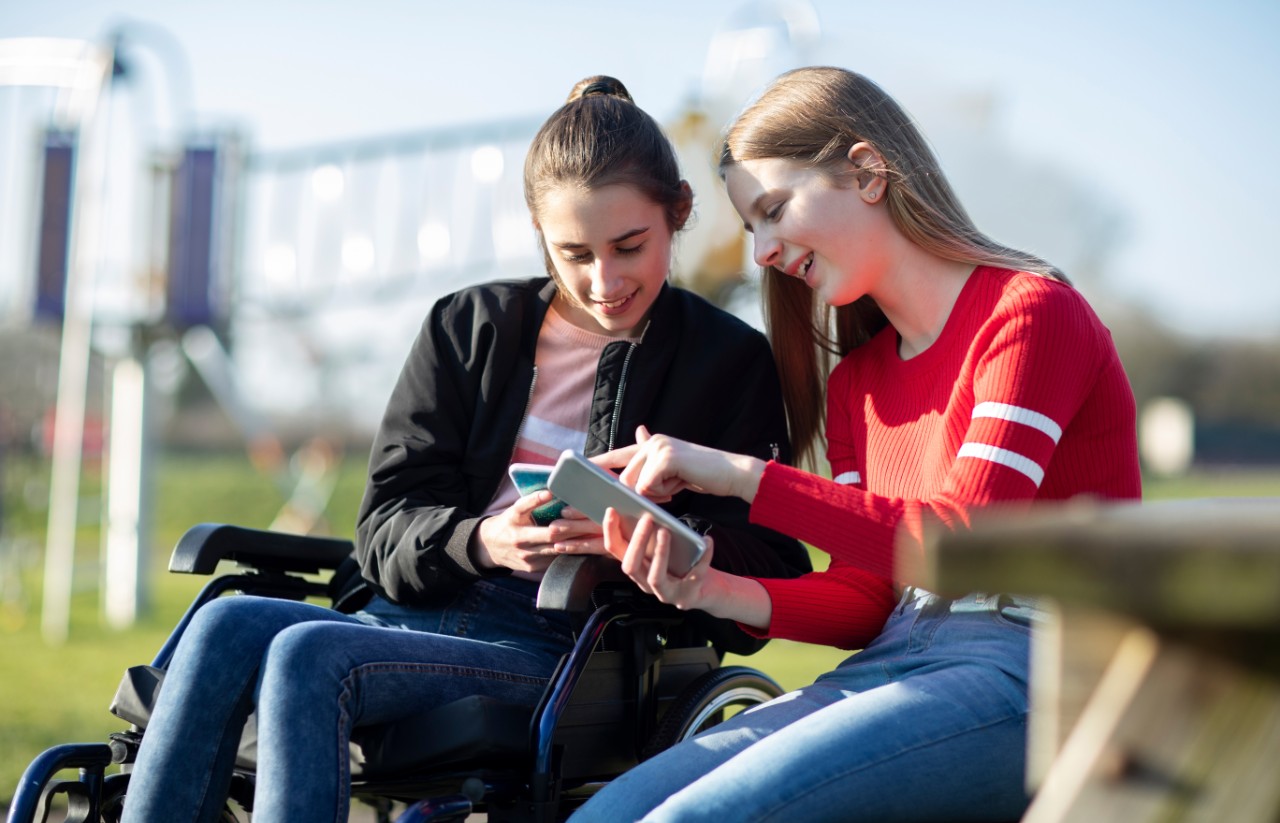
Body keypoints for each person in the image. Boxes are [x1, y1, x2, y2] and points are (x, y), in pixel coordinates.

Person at [120, 75, 811, 823]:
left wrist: (644, 544)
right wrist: (482, 539)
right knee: (224, 620)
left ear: (677, 213)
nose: (603, 281)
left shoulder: (729, 362)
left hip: (565, 648)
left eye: (629, 247)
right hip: (402, 613)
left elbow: (774, 570)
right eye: (573, 252)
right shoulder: (466, 327)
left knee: (304, 654)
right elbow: (382, 528)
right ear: (538, 233)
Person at [570, 66, 1142, 823]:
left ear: (869, 172)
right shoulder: (858, 384)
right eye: (752, 228)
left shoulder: (1029, 313)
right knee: (606, 814)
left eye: (774, 211)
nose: (764, 252)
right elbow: (869, 600)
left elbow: (961, 544)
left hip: (1038, 671)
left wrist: (745, 476)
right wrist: (706, 586)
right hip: (899, 658)